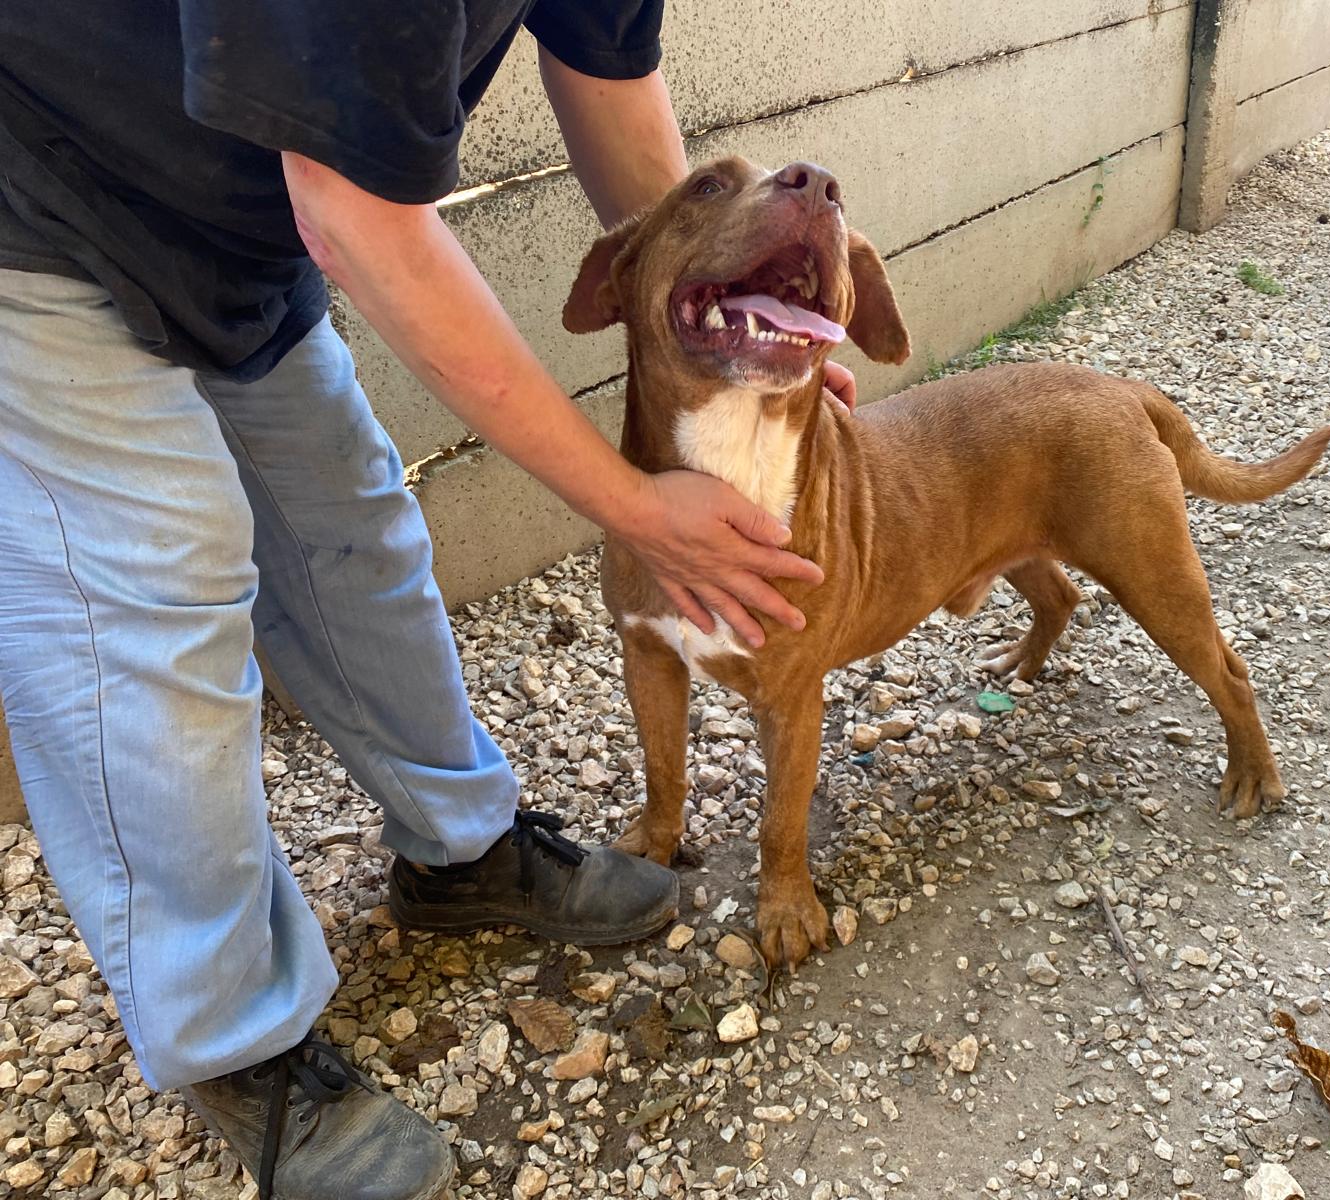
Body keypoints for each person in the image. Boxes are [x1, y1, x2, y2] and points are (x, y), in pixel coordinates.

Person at [0, 3, 854, 1197]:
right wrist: (627, 499)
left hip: (235, 232)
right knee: (155, 584)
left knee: (354, 528)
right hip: (31, 190)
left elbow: (607, 76)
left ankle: (459, 853)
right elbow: (358, 219)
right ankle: (227, 1036)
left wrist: (733, 293)